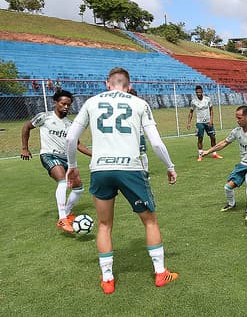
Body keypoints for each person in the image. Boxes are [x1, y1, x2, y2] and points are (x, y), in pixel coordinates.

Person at [65, 67, 179, 294]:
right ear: (128, 85)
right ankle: (160, 273)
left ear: (107, 83)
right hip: (130, 168)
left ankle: (107, 279)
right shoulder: (139, 104)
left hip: (100, 168)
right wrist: (170, 166)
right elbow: (156, 143)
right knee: (150, 221)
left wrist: (72, 166)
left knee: (105, 225)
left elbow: (70, 137)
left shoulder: (91, 102)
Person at [21, 89, 92, 233]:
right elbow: (26, 127)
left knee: (78, 188)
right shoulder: (44, 117)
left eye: (68, 105)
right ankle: (62, 219)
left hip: (66, 159)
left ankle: (66, 213)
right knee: (63, 181)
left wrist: (93, 154)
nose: (66, 107)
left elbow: (77, 144)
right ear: (55, 103)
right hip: (49, 155)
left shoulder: (71, 124)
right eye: (63, 103)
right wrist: (24, 148)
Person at [186, 85, 222, 161]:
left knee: (213, 137)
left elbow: (211, 110)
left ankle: (214, 154)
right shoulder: (194, 101)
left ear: (202, 92)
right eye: (197, 92)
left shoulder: (207, 99)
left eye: (199, 92)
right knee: (200, 138)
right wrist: (189, 123)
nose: (198, 94)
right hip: (199, 123)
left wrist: (211, 120)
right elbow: (191, 112)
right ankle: (200, 155)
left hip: (208, 122)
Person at [128, 88, 149, 172]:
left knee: (142, 153)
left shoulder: (140, 106)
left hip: (138, 134)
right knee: (134, 154)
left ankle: (146, 171)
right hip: (131, 134)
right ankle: (138, 171)